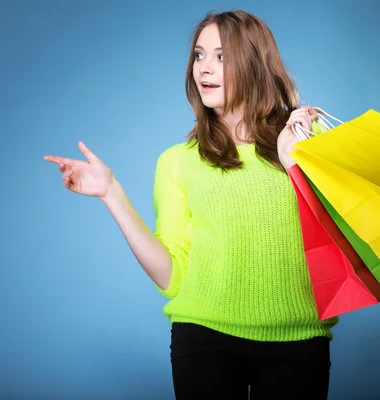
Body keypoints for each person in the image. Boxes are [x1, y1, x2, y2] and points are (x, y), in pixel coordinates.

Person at [44, 10, 338, 400]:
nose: (204, 69)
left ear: (254, 62)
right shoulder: (176, 161)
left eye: (221, 56)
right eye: (199, 55)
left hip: (300, 340)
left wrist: (294, 163)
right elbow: (172, 278)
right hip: (204, 340)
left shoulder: (307, 140)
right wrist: (111, 192)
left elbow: (342, 239)